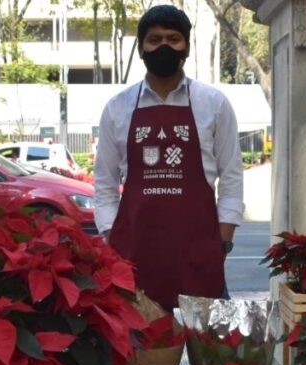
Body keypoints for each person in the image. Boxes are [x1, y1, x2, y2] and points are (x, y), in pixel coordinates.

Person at [93, 4, 244, 310]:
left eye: (173, 39)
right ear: (141, 49)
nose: (163, 46)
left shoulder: (213, 103)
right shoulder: (117, 108)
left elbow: (231, 178)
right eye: (155, 39)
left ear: (186, 46)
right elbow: (104, 185)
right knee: (146, 356)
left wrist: (221, 243)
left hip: (199, 256)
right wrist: (113, 240)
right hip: (135, 257)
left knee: (210, 355)